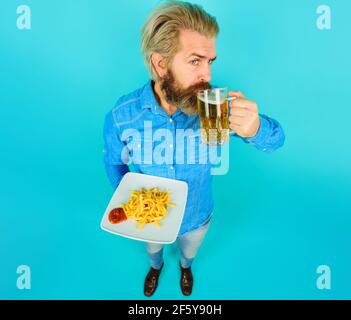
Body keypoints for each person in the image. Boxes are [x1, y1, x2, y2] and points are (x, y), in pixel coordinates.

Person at [103, 0, 285, 297]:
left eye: (210, 62)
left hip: (198, 214)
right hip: (152, 220)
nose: (208, 76)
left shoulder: (213, 106)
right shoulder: (122, 116)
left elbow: (276, 140)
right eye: (195, 61)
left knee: (190, 252)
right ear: (160, 64)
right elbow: (113, 162)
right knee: (153, 251)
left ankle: (185, 269)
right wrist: (131, 199)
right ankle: (156, 267)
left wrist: (255, 128)